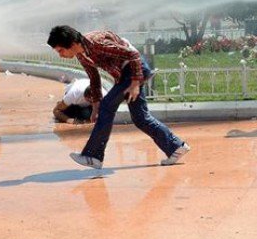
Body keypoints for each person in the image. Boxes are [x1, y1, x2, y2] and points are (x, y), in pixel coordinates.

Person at [47, 26, 189, 169]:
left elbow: (133, 55)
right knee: (141, 118)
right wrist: (95, 106)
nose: (61, 55)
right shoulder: (81, 53)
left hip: (134, 70)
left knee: (107, 107)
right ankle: (176, 147)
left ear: (71, 44)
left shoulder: (96, 44)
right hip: (126, 75)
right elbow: (94, 77)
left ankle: (93, 155)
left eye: (61, 50)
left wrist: (134, 83)